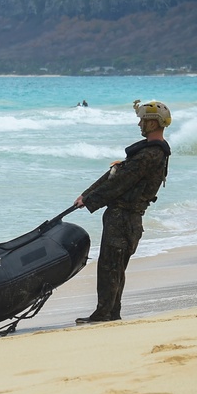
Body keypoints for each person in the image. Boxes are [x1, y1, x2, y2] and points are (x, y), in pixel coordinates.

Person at [73, 100, 172, 323]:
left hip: (124, 217)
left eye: (142, 120)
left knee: (110, 266)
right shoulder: (148, 152)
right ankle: (111, 311)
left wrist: (89, 200)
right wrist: (86, 196)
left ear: (153, 122)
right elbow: (116, 175)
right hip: (126, 217)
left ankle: (105, 313)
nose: (139, 124)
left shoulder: (150, 154)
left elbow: (120, 183)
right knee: (114, 266)